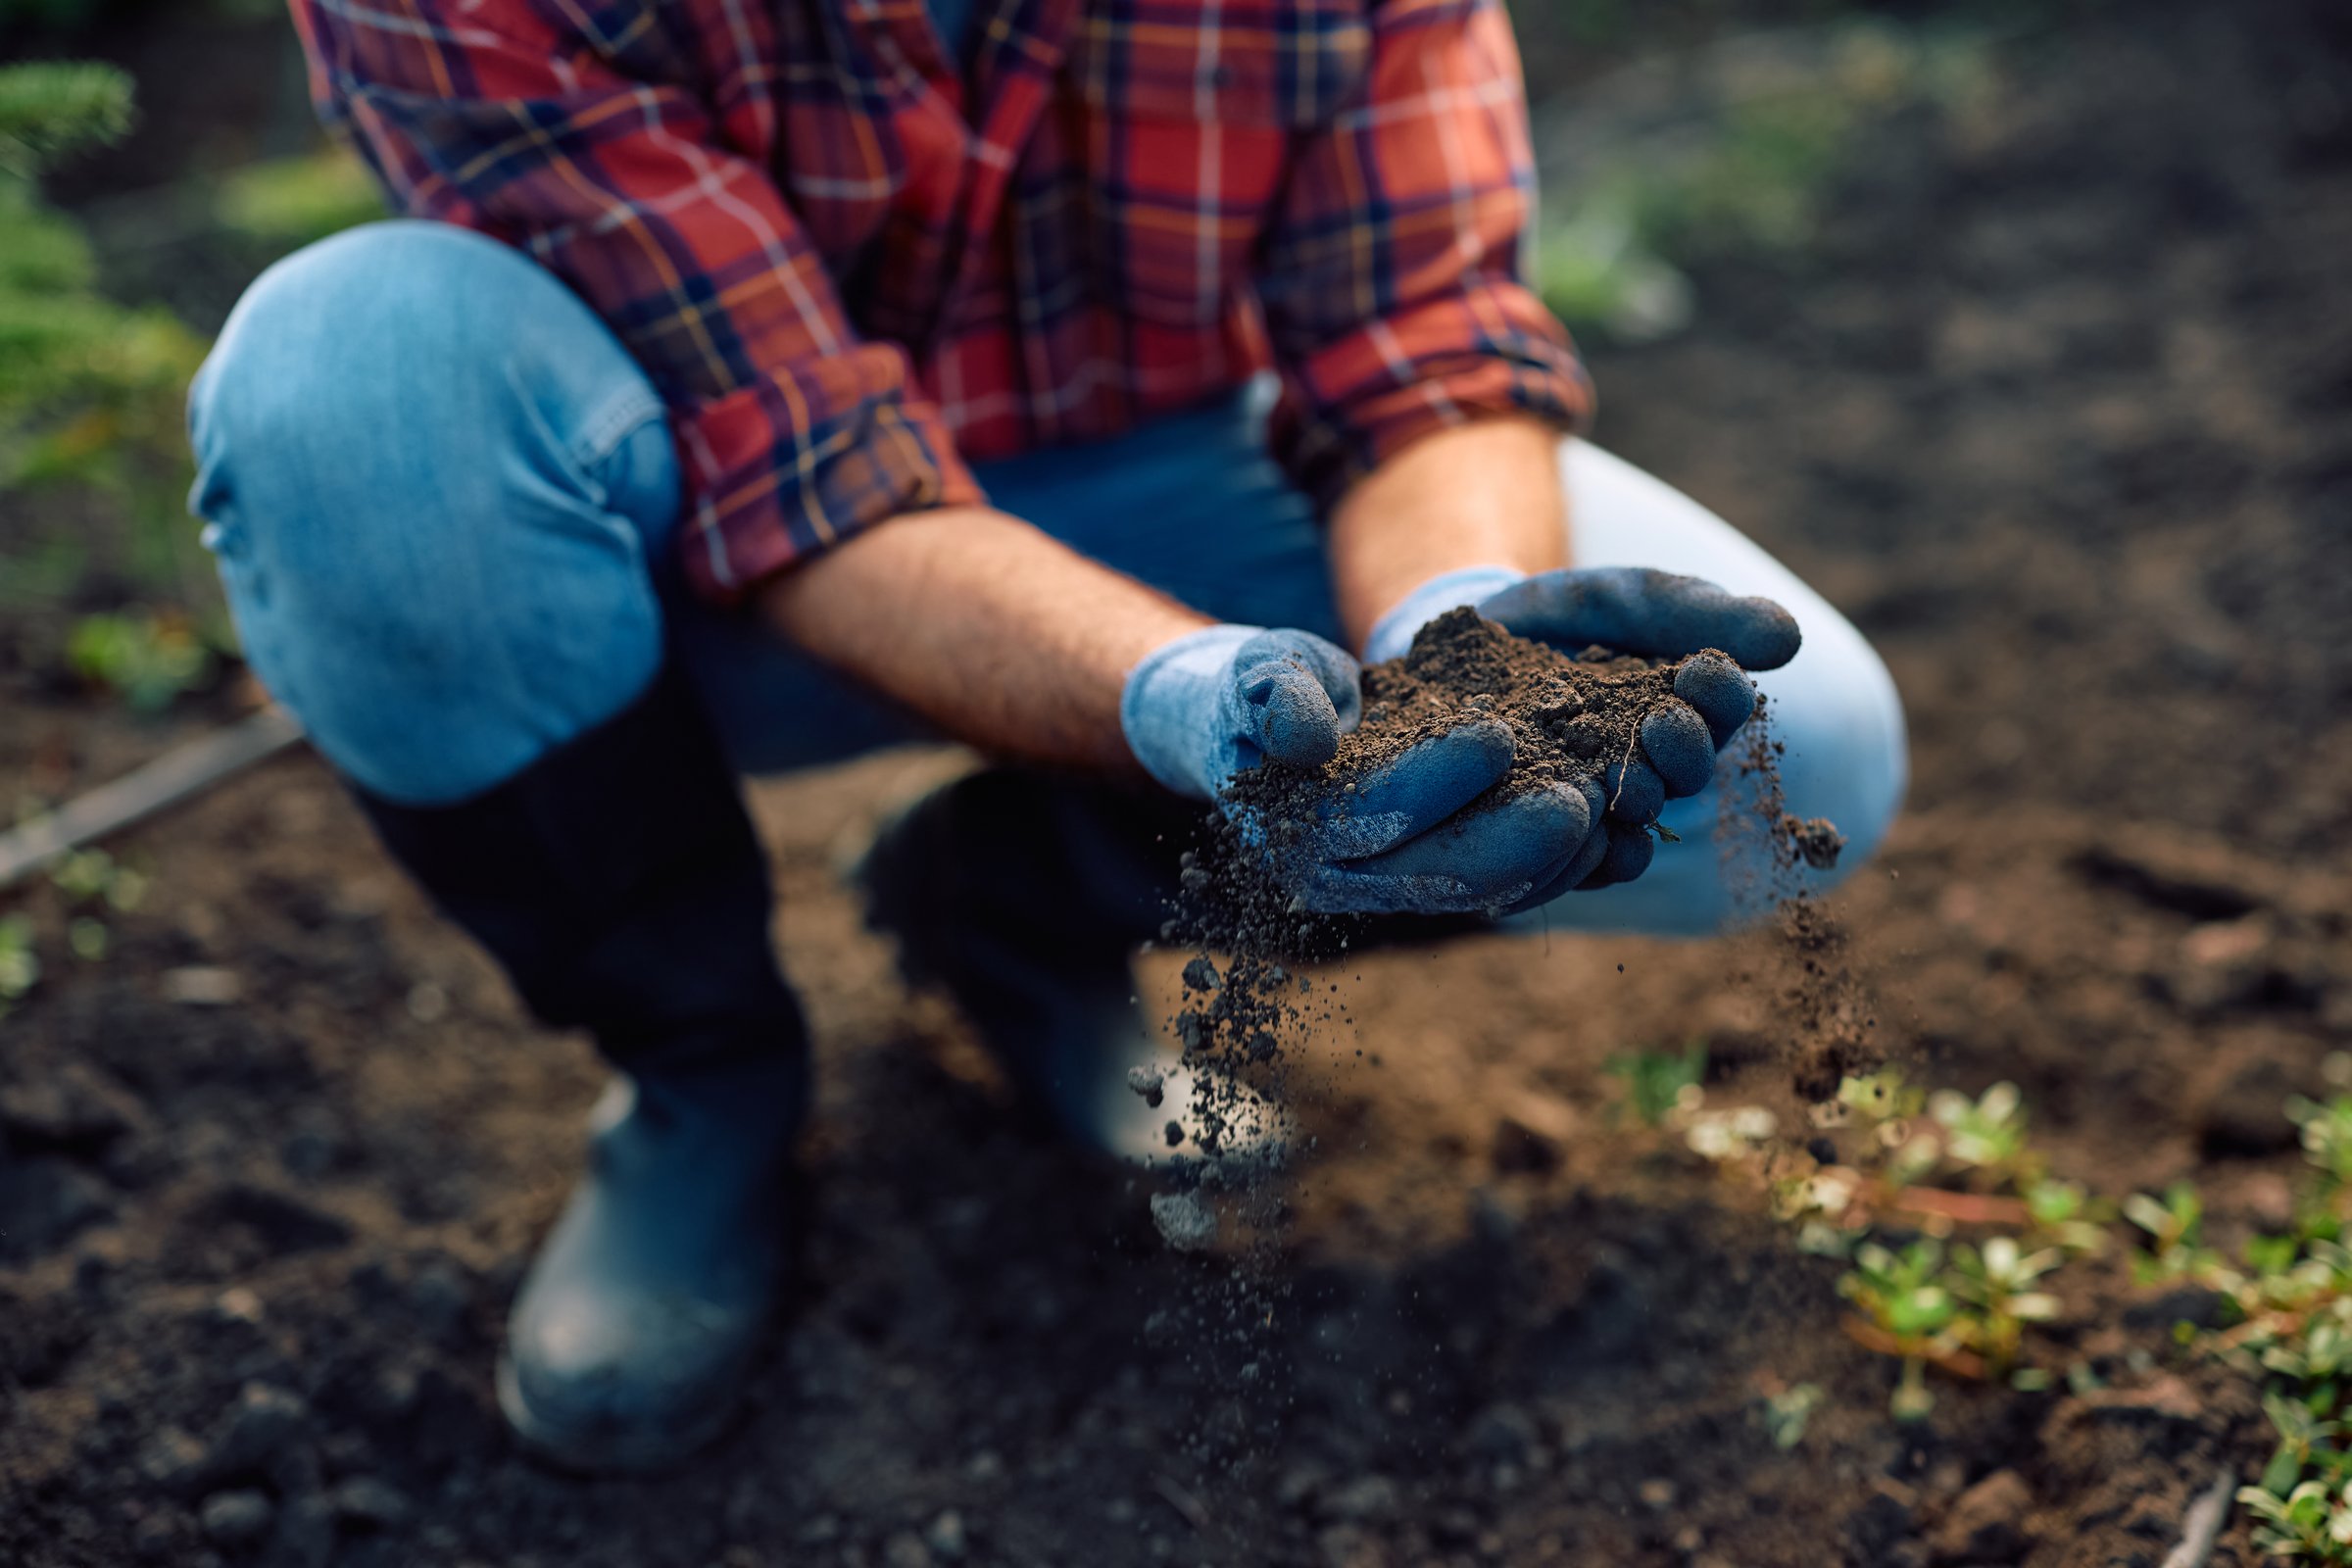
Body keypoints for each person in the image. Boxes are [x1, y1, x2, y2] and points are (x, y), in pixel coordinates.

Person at [186, 0, 1906, 1472]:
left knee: (1795, 742)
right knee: (355, 389)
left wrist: (1450, 640)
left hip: (1153, 464)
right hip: (684, 537)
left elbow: (1422, 351)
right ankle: (701, 1084)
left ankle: (1017, 900)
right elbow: (805, 469)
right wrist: (1191, 705)